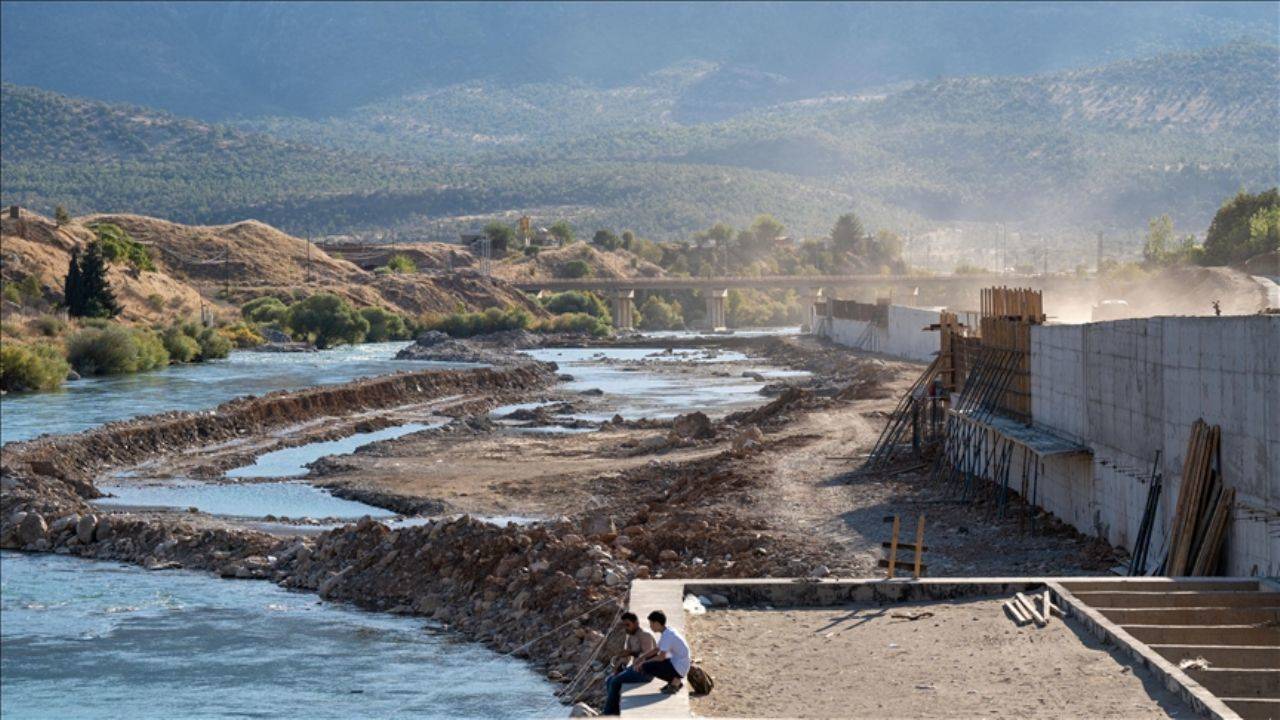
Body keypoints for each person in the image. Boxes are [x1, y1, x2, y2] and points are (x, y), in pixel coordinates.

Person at [601, 612, 656, 716]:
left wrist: (631, 653)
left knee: (615, 681)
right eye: (624, 625)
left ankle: (608, 714)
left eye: (628, 625)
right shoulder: (631, 637)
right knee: (610, 679)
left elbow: (648, 655)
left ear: (636, 623)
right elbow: (627, 657)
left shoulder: (645, 635)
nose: (626, 628)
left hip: (645, 672)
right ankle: (615, 710)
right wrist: (619, 664)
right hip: (634, 669)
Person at [637, 610, 690, 695]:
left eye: (651, 624)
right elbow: (656, 650)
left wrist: (643, 663)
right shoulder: (667, 631)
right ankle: (674, 681)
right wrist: (641, 658)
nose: (650, 627)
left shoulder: (668, 636)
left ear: (657, 623)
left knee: (646, 666)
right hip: (677, 663)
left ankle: (675, 682)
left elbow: (661, 657)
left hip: (680, 667)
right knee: (648, 659)